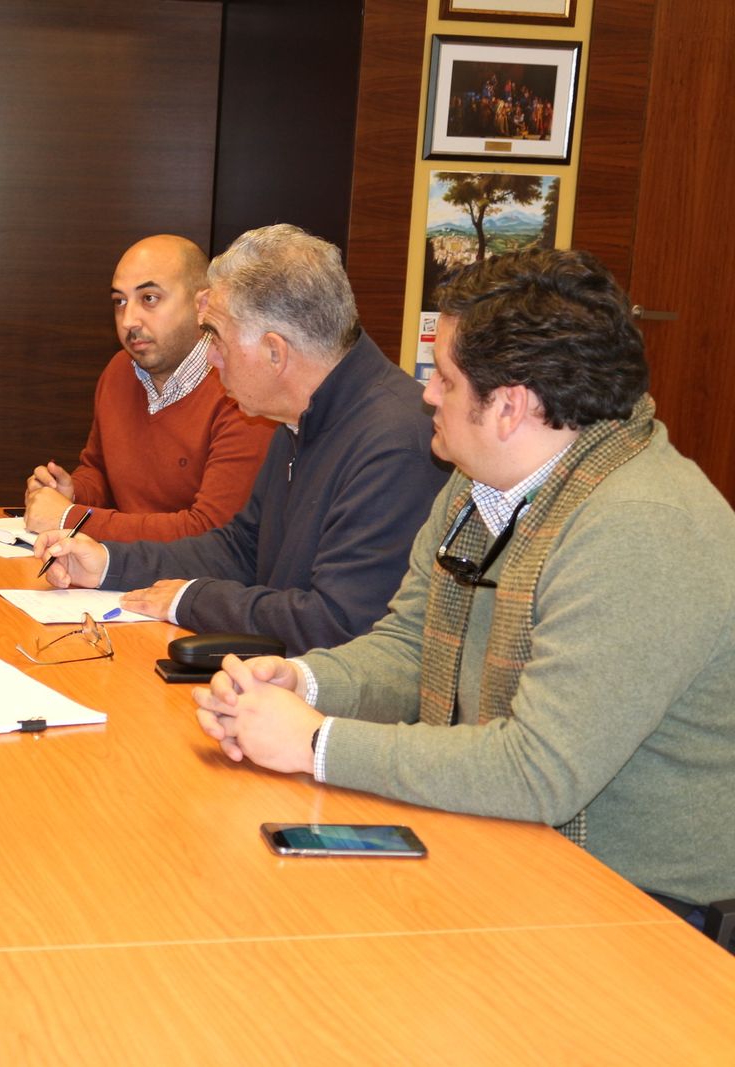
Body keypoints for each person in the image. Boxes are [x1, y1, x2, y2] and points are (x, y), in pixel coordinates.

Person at [196, 247, 735, 922]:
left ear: (509, 407)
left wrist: (315, 743)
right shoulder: (478, 484)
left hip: (644, 907)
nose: (426, 393)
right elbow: (409, 647)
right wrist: (303, 684)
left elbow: (537, 771)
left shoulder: (644, 526)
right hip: (511, 848)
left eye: (446, 381)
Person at [36, 224, 446, 655]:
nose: (211, 356)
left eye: (216, 336)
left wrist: (186, 599)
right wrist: (109, 564)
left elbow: (336, 623)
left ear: (275, 352)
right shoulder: (300, 414)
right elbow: (240, 549)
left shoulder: (395, 443)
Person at [23, 234, 273, 540]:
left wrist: (69, 518)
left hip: (190, 570)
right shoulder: (119, 371)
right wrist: (73, 493)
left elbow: (211, 533)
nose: (128, 320)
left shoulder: (239, 389)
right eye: (120, 302)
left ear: (203, 305)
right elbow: (100, 471)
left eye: (149, 299)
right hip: (121, 564)